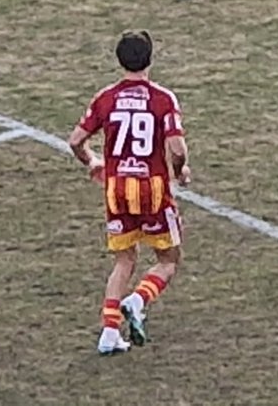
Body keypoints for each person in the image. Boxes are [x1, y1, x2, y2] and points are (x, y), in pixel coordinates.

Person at [68, 30, 191, 355]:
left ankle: (109, 332)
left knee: (124, 260)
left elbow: (76, 141)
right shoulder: (163, 99)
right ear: (150, 59)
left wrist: (93, 162)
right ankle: (137, 300)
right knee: (168, 260)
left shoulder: (106, 97)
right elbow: (178, 148)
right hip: (152, 190)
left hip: (117, 190)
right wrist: (180, 171)